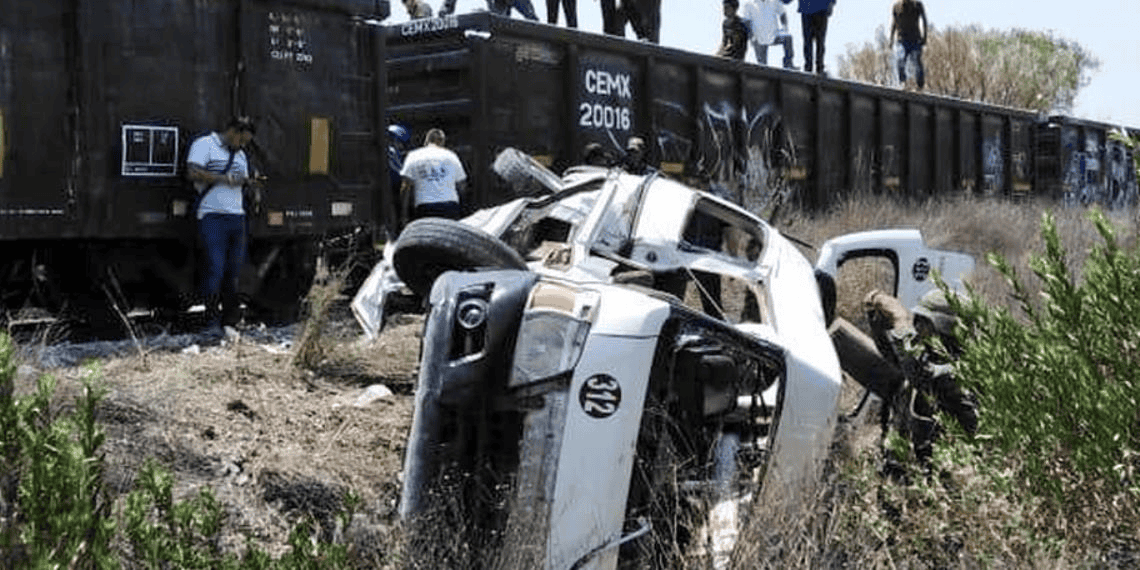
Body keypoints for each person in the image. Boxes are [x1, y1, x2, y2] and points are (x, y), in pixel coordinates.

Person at [864, 288, 978, 465]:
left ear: (944, 327)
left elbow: (922, 374)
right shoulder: (928, 360)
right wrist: (876, 318)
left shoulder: (963, 373)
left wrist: (901, 321)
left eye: (923, 324)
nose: (916, 329)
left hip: (940, 482)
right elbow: (896, 358)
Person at [186, 116, 258, 340]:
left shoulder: (240, 154)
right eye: (242, 140)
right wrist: (225, 179)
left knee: (233, 272)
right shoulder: (204, 145)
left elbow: (241, 181)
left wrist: (251, 186)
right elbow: (192, 172)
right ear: (232, 132)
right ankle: (210, 322)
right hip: (211, 215)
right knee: (215, 269)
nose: (243, 146)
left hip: (237, 217)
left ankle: (230, 322)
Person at [400, 128, 468, 224]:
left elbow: (405, 187)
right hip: (449, 205)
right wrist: (463, 209)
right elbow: (462, 186)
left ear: (426, 141)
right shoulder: (451, 156)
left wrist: (404, 214)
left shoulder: (413, 156)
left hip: (424, 206)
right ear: (442, 142)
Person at [741, 0, 795, 69]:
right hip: (758, 38)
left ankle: (788, 64)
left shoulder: (774, 1)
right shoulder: (748, 4)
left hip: (774, 35)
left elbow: (782, 13)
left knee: (788, 38)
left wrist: (785, 27)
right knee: (762, 67)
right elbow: (746, 22)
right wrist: (751, 37)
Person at [890, 0, 927, 90]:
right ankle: (903, 82)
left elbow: (924, 21)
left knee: (916, 62)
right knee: (900, 59)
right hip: (901, 40)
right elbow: (894, 23)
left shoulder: (917, 5)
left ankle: (920, 85)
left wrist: (925, 37)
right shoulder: (896, 6)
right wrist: (891, 38)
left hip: (915, 39)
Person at [797, 0, 835, 75]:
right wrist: (832, 3)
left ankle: (808, 67)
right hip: (821, 8)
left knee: (808, 41)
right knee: (820, 41)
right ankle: (819, 67)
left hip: (807, 8)